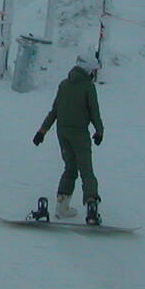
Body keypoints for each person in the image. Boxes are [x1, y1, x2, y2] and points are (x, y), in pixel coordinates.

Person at [33, 53, 105, 222]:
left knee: (70, 167)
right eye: (93, 71)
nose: (93, 74)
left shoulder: (64, 85)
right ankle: (91, 205)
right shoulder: (88, 87)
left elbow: (54, 111)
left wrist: (42, 131)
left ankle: (62, 205)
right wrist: (99, 131)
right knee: (86, 170)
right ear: (88, 70)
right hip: (79, 133)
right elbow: (94, 111)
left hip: (62, 133)